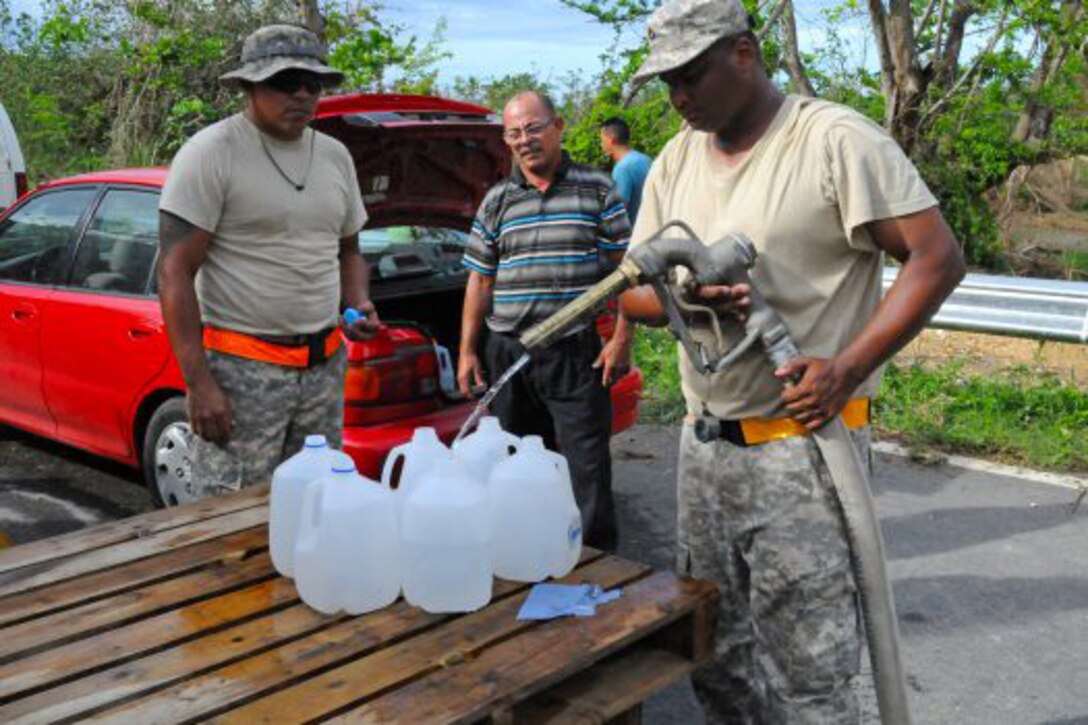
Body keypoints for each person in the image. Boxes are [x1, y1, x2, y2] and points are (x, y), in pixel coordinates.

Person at [618, 0, 965, 721]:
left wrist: (845, 365)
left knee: (810, 680)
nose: (678, 97)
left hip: (801, 450)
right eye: (666, 83)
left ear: (743, 53)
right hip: (704, 447)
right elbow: (635, 296)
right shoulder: (676, 160)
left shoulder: (832, 141)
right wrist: (694, 294)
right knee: (714, 659)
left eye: (690, 75)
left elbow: (936, 257)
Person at [157, 24, 380, 498]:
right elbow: (174, 271)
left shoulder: (336, 156)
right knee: (233, 519)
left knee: (317, 502)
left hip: (324, 366)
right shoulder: (210, 153)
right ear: (249, 87)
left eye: (312, 84)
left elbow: (349, 250)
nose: (301, 94)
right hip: (240, 370)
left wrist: (359, 302)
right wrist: (198, 383)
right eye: (284, 82)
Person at [457, 91, 634, 552]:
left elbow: (628, 272)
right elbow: (479, 281)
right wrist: (467, 350)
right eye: (514, 132)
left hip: (574, 352)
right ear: (505, 140)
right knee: (517, 461)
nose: (525, 140)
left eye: (534, 128)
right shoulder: (497, 199)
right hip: (508, 350)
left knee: (586, 466)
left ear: (557, 127)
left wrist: (620, 339)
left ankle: (598, 565)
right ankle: (529, 556)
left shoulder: (597, 189)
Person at [600, 117, 653, 224]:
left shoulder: (622, 168)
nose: (601, 144)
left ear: (611, 139)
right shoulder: (646, 159)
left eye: (602, 140)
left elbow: (618, 212)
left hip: (635, 236)